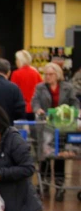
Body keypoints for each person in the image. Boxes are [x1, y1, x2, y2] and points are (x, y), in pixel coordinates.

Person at [31, 62, 81, 201]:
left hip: (63, 127)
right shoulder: (40, 87)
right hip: (46, 126)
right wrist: (38, 109)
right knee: (45, 155)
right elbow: (34, 102)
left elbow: (75, 102)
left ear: (57, 74)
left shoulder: (67, 87)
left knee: (60, 156)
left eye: (50, 74)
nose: (47, 77)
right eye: (46, 74)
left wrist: (75, 111)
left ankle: (60, 185)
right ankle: (44, 184)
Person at [10, 50, 42, 119]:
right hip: (34, 108)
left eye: (16, 59)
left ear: (20, 60)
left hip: (21, 108)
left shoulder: (16, 74)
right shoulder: (36, 73)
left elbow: (12, 91)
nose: (16, 62)